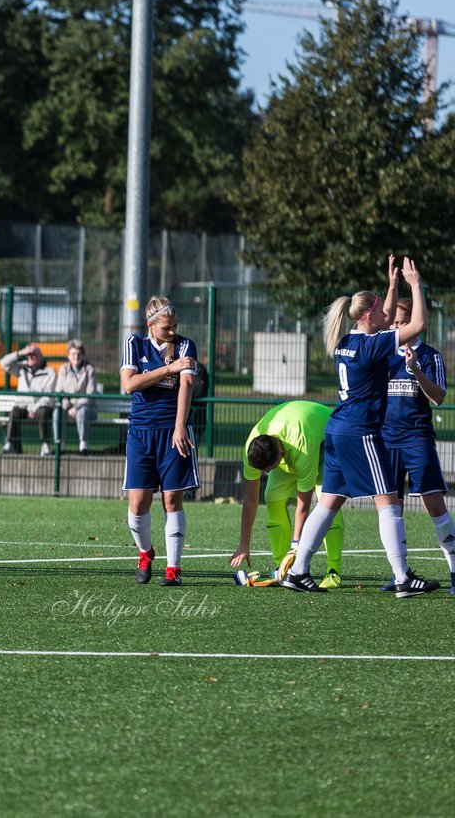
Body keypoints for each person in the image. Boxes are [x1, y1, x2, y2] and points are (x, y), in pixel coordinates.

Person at [280, 256, 440, 597]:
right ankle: (402, 578)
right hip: (360, 431)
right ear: (370, 314)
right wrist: (414, 284)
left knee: (329, 502)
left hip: (337, 429)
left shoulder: (346, 342)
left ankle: (298, 571)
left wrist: (392, 285)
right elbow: (418, 325)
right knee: (388, 501)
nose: (388, 316)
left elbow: (382, 323)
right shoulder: (371, 345)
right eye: (383, 310)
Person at [121, 296, 200, 586]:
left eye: (175, 326)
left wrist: (180, 426)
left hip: (172, 431)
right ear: (150, 325)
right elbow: (129, 384)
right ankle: (145, 552)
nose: (172, 332)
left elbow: (187, 385)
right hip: (140, 431)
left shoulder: (184, 346)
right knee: (138, 504)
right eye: (166, 328)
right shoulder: (135, 344)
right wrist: (168, 369)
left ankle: (173, 569)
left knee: (171, 499)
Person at [381, 295, 455, 594]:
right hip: (386, 440)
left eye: (403, 323)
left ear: (415, 323)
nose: (398, 328)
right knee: (390, 508)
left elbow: (438, 397)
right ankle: (402, 574)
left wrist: (416, 371)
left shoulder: (430, 355)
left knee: (434, 505)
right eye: (395, 323)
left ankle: (454, 572)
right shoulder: (383, 355)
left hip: (417, 438)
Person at [228, 401, 345, 588]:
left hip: (326, 443)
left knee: (327, 502)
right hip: (290, 441)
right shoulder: (254, 446)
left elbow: (303, 505)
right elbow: (250, 498)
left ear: (280, 455)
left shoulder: (302, 447)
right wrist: (244, 543)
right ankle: (281, 566)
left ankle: (333, 571)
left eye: (270, 469)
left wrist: (295, 545)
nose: (266, 473)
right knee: (272, 496)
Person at [0, 343, 56, 456]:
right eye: (28, 355)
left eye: (33, 355)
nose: (30, 357)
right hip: (23, 406)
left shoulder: (50, 372)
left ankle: (45, 445)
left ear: (40, 356)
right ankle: (9, 443)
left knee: (43, 411)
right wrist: (20, 353)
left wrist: (33, 409)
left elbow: (48, 396)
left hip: (40, 407)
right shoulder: (22, 368)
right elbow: (3, 363)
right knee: (15, 411)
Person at [53, 339, 98, 455]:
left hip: (86, 408)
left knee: (82, 413)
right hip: (66, 408)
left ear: (83, 355)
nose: (76, 357)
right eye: (73, 354)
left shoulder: (90, 369)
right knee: (57, 413)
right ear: (68, 356)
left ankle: (83, 446)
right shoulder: (63, 369)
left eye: (79, 354)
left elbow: (90, 394)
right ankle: (60, 445)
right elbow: (59, 392)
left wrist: (76, 407)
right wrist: (68, 407)